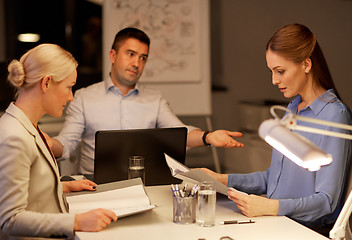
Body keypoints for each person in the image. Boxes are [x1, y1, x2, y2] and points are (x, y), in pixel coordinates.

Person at [202, 23, 352, 235]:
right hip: (276, 223)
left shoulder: (334, 116)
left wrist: (272, 207)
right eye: (272, 71)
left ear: (306, 64)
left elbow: (326, 201)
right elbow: (274, 178)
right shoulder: (292, 108)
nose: (274, 80)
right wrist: (222, 180)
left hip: (302, 230)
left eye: (280, 71)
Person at [50, 27, 244, 175]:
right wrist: (47, 143)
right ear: (113, 55)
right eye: (131, 54)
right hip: (94, 184)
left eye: (143, 58)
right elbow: (67, 142)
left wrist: (207, 137)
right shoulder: (84, 97)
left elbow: (179, 133)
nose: (137, 63)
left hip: (144, 183)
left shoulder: (154, 99)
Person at [0, 44, 117, 239]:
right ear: (46, 83)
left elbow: (27, 187)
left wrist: (60, 185)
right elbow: (10, 219)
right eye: (69, 87)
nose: (71, 97)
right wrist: (77, 222)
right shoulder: (14, 136)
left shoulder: (27, 125)